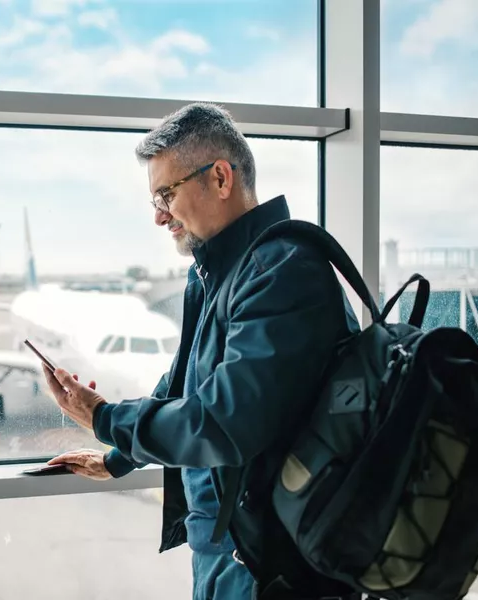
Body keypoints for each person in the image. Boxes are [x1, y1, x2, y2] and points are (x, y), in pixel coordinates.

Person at [42, 103, 360, 600]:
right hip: (227, 547)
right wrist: (120, 455)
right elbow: (181, 385)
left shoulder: (282, 272)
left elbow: (224, 423)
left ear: (219, 178)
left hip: (270, 563)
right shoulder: (218, 273)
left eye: (166, 193)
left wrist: (105, 417)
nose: (157, 215)